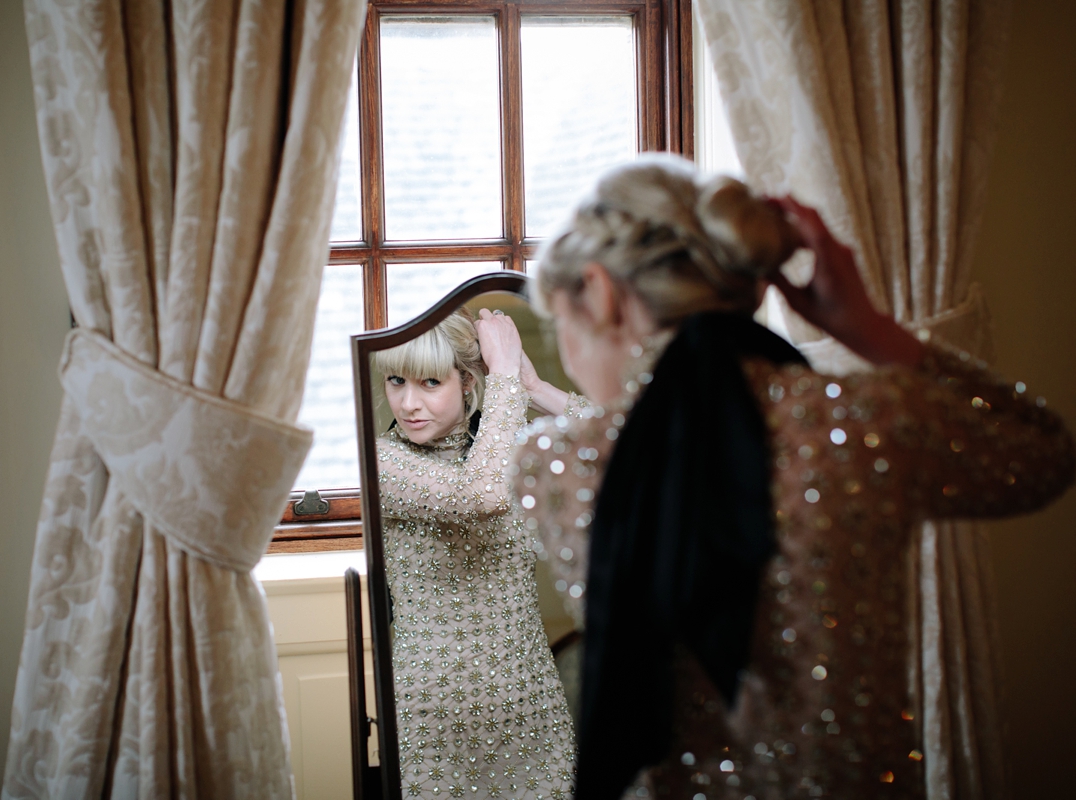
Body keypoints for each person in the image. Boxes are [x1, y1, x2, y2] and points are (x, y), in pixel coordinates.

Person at [512, 154, 1075, 799]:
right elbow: (1045, 453)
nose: (574, 367)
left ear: (602, 292)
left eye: (562, 331)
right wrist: (865, 327)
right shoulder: (869, 421)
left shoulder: (553, 467)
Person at [373, 306, 586, 798]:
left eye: (429, 383)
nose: (408, 403)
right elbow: (481, 496)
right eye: (395, 381)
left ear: (468, 382)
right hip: (433, 714)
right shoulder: (383, 460)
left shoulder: (509, 442)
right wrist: (507, 383)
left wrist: (533, 388)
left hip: (530, 698)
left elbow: (627, 444)